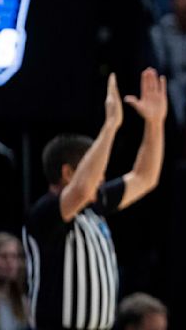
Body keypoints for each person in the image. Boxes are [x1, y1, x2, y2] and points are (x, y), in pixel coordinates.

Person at [22, 68, 167, 330]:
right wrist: (110, 126)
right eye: (95, 167)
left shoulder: (95, 206)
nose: (101, 176)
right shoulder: (45, 213)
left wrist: (154, 124)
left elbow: (145, 177)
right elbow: (79, 190)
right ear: (67, 173)